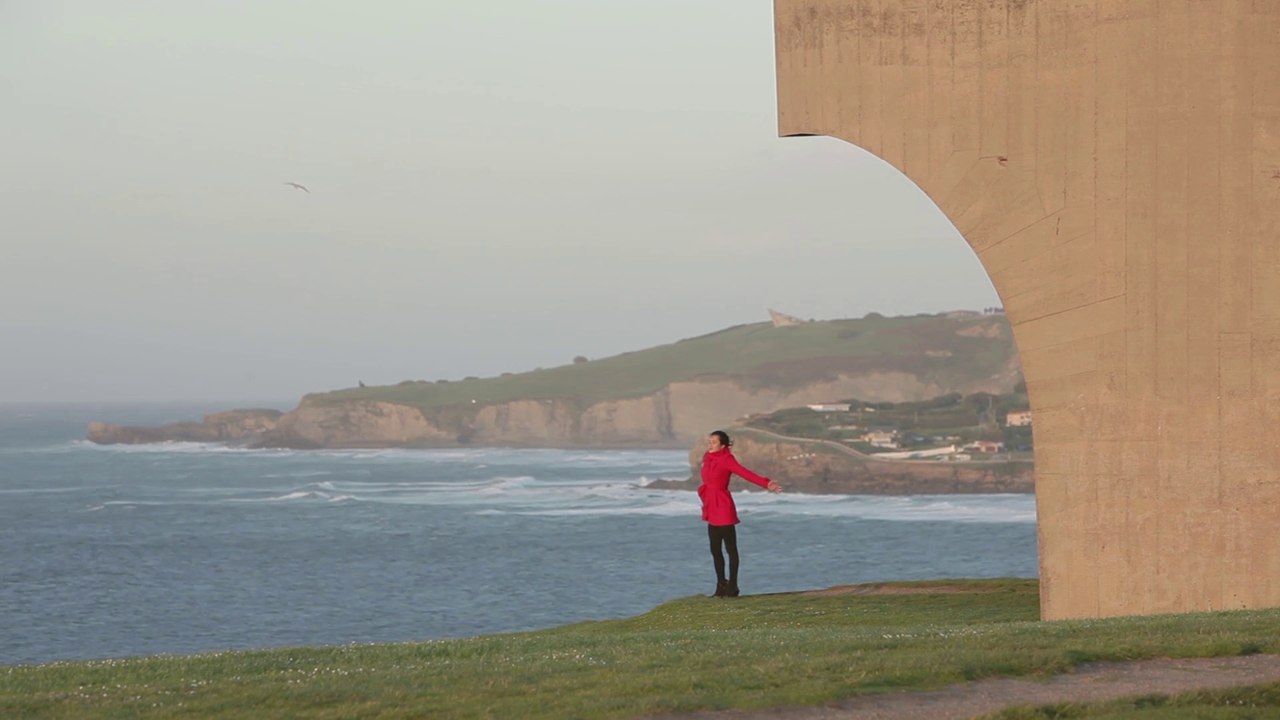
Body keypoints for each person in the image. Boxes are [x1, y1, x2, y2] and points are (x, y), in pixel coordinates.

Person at [697, 430, 782, 598]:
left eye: (714, 442)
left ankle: (733, 586)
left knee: (731, 550)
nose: (710, 444)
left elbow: (745, 473)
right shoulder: (707, 457)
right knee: (715, 550)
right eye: (709, 441)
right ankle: (721, 585)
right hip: (711, 506)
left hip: (723, 506)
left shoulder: (727, 459)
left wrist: (766, 483)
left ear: (722, 445)